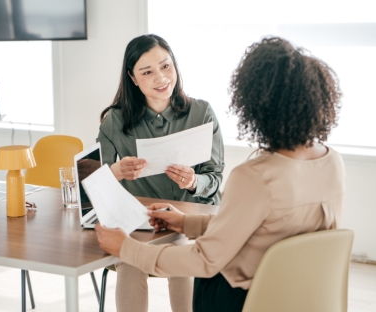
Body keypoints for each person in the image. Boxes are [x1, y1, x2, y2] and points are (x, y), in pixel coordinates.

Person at [95, 37, 344, 312]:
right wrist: (186, 222)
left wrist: (126, 249)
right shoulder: (333, 162)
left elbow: (204, 260)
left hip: (245, 299)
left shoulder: (253, 176)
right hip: (300, 297)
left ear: (252, 105)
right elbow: (260, 228)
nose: (160, 77)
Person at [96, 34, 225, 312]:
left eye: (166, 66)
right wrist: (116, 172)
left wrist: (194, 182)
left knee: (182, 255)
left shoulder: (202, 112)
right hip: (139, 224)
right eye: (148, 72)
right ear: (133, 77)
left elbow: (214, 179)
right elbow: (94, 186)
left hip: (186, 221)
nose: (161, 77)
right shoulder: (114, 121)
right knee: (130, 261)